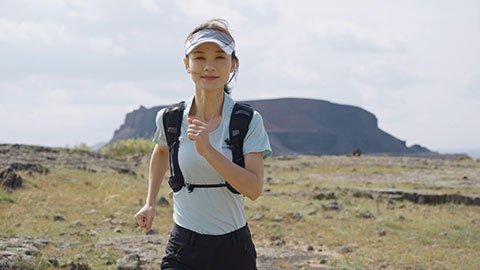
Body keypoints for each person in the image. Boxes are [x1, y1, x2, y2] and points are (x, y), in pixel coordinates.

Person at [133, 18, 272, 270]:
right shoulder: (170, 118)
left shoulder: (247, 121)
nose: (209, 66)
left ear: (233, 65)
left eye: (220, 57)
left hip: (233, 249)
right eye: (199, 57)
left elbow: (253, 189)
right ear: (187, 65)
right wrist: (150, 202)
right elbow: (161, 150)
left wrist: (208, 152)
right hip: (184, 246)